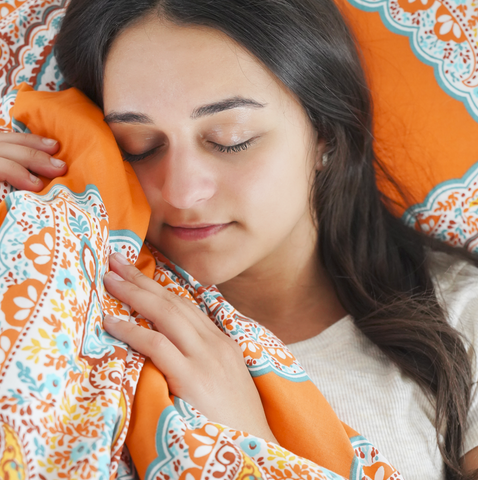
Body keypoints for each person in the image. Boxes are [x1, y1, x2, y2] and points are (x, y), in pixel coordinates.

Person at [0, 0, 477, 478]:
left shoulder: (460, 315)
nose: (183, 191)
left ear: (326, 134)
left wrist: (251, 449)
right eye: (138, 147)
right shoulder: (58, 284)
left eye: (231, 139)